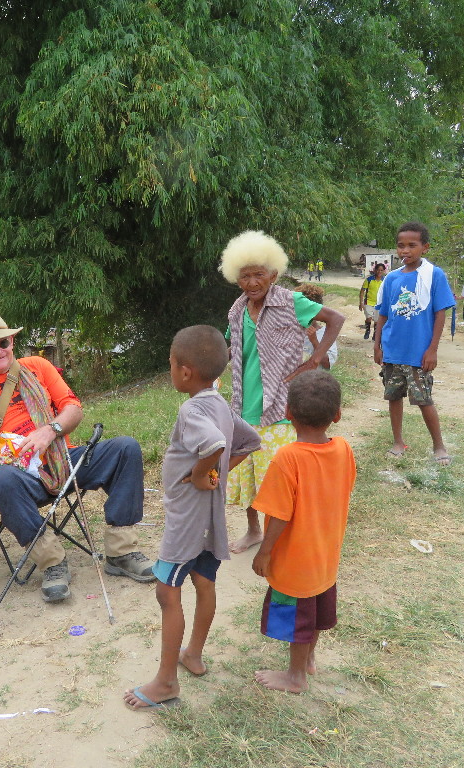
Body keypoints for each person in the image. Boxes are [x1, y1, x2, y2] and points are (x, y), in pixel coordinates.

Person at [0, 309, 155, 602]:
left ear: (12, 342)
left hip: (63, 462)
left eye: (4, 342)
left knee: (126, 447)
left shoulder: (38, 366)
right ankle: (52, 563)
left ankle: (121, 552)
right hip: (18, 481)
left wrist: (49, 431)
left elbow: (73, 409)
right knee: (1, 478)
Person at [123, 326, 261, 710]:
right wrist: (218, 472)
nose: (170, 369)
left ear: (184, 371)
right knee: (203, 581)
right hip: (210, 520)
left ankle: (166, 682)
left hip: (186, 521)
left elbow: (215, 444)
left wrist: (202, 475)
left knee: (167, 592)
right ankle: (193, 654)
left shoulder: (192, 410)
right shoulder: (220, 404)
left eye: (170, 364)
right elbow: (250, 441)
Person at [220, 230, 345, 554]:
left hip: (279, 408)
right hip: (242, 407)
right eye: (244, 276)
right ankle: (253, 531)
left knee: (277, 479)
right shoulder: (237, 310)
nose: (252, 283)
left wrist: (315, 359)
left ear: (273, 275)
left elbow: (335, 319)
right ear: (236, 278)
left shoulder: (291, 302)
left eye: (259, 274)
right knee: (247, 475)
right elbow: (233, 348)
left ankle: (282, 538)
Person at [251, 369, 356, 693]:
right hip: (326, 555)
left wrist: (264, 552)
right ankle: (309, 659)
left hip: (297, 560)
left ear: (287, 413)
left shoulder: (288, 458)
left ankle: (295, 676)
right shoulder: (343, 449)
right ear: (337, 415)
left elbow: (279, 515)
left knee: (299, 619)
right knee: (317, 611)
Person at [374, 222, 455, 465]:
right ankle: (398, 442)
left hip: (418, 353)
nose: (405, 250)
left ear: (425, 247)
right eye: (401, 246)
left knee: (424, 399)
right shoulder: (392, 278)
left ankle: (439, 446)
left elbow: (440, 314)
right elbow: (383, 315)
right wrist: (377, 345)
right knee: (393, 397)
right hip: (393, 350)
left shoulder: (434, 275)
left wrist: (432, 350)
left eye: (412, 245)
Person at [297, 284, 338, 369]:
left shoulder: (325, 334)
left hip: (312, 377)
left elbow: (327, 365)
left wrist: (314, 341)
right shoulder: (290, 329)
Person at [358, 263, 387, 340]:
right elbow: (362, 291)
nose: (379, 272)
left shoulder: (385, 281)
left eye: (381, 270)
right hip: (368, 302)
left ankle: (375, 333)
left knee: (377, 320)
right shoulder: (369, 280)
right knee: (369, 317)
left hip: (379, 304)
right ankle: (367, 330)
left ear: (384, 271)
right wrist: (361, 303)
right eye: (378, 270)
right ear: (375, 270)